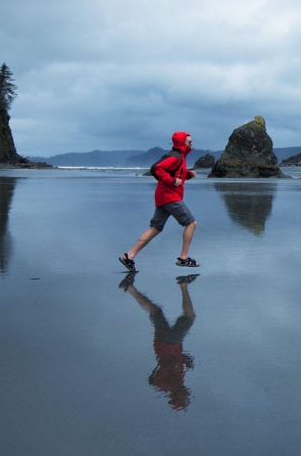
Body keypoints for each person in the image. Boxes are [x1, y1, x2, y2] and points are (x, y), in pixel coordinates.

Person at [119, 131, 199, 271]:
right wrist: (173, 181)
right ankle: (184, 257)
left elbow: (175, 172)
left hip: (163, 197)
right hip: (170, 197)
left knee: (155, 228)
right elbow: (156, 169)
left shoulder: (179, 156)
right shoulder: (176, 157)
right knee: (191, 223)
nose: (192, 144)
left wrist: (187, 174)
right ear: (182, 143)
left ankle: (129, 256)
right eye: (189, 142)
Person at [119, 272, 199, 411]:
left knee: (189, 317)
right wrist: (184, 359)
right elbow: (170, 364)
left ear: (178, 396)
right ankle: (129, 288)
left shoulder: (169, 385)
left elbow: (153, 379)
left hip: (170, 343)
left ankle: (183, 284)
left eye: (184, 397)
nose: (187, 394)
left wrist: (168, 372)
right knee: (156, 312)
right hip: (163, 343)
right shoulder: (178, 382)